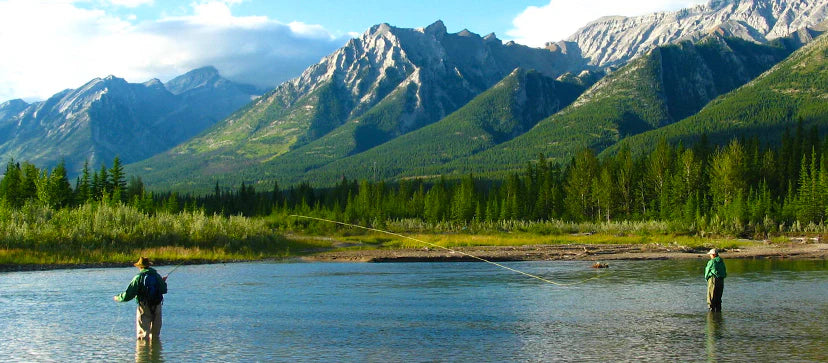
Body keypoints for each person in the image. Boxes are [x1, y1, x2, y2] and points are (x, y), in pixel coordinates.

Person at [114, 257, 168, 340]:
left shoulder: (138, 277)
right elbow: (164, 290)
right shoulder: (157, 276)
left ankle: (143, 351)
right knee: (155, 336)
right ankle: (155, 351)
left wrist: (118, 298)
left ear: (140, 267)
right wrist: (163, 282)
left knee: (143, 336)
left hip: (143, 307)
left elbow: (128, 295)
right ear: (149, 265)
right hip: (157, 306)